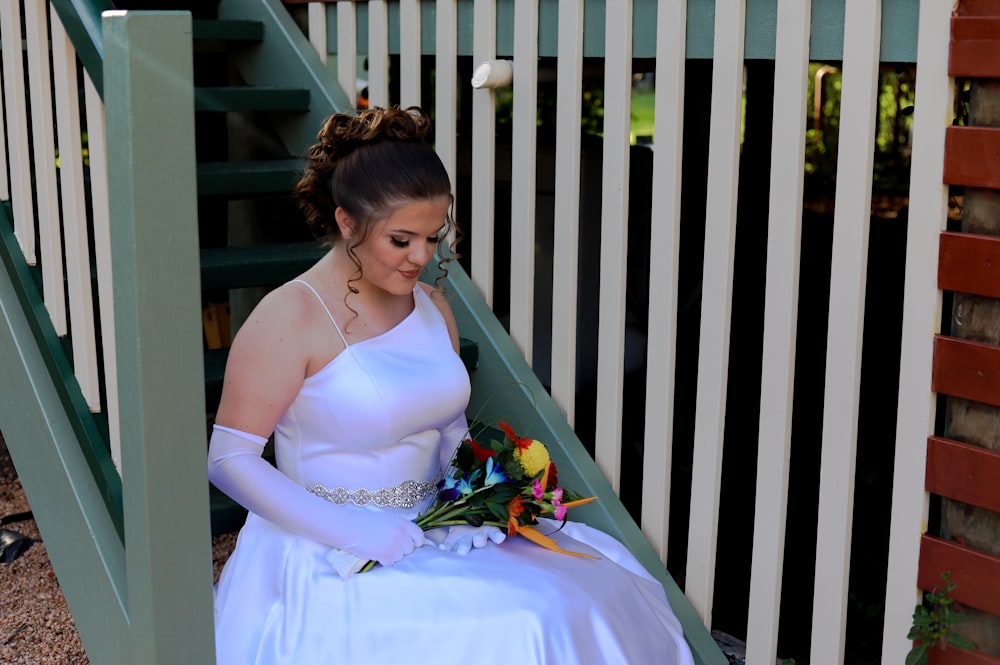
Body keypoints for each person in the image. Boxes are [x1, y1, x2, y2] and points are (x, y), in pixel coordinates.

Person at [208, 105, 695, 665]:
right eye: (401, 239)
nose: (423, 256)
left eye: (432, 236)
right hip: (329, 546)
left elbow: (450, 426)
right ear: (346, 223)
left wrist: (472, 504)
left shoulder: (431, 304)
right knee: (522, 625)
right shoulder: (288, 316)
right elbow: (229, 458)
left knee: (599, 584)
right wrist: (353, 530)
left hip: (434, 523)